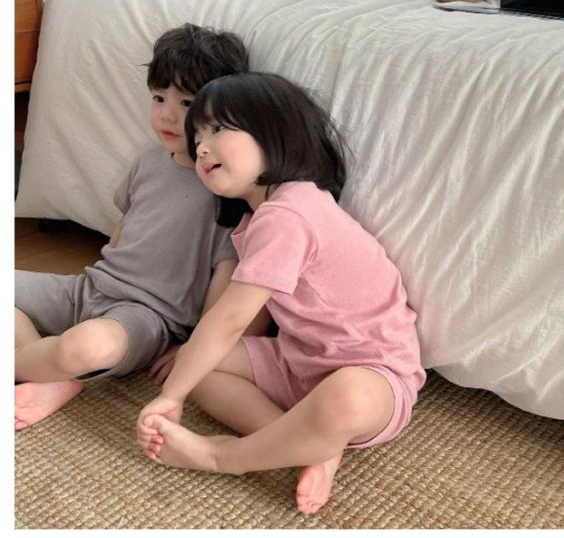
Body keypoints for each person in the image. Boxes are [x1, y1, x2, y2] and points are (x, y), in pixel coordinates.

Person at [136, 72, 427, 515]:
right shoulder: (257, 221)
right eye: (197, 138)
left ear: (274, 131)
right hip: (299, 360)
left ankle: (222, 456)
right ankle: (309, 447)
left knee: (347, 396)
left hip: (374, 373)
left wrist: (171, 396)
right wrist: (190, 367)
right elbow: (245, 323)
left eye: (217, 129)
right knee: (200, 369)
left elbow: (231, 318)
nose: (202, 148)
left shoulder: (292, 212)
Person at [15, 24, 268, 430]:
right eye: (158, 97)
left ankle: (47, 366)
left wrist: (192, 349)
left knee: (85, 347)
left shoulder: (227, 192)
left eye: (186, 102)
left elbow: (225, 298)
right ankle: (51, 376)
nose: (167, 114)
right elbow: (120, 237)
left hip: (146, 318)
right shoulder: (148, 162)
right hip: (90, 288)